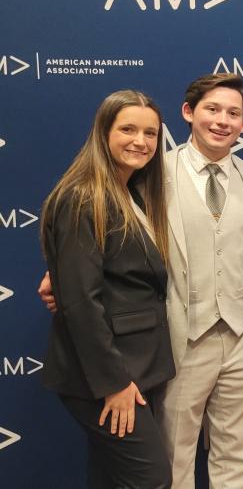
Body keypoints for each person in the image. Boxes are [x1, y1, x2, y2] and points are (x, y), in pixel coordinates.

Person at [37, 74, 243, 487]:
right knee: (170, 459)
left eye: (233, 113)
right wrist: (59, 274)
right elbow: (95, 238)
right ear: (188, 114)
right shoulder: (151, 171)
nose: (222, 120)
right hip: (180, 338)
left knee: (238, 457)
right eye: (212, 109)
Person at [40, 90, 174, 488]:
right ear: (103, 132)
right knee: (151, 479)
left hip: (136, 367)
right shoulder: (84, 196)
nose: (141, 141)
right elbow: (82, 302)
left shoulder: (131, 194)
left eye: (150, 133)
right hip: (105, 377)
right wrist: (113, 383)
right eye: (128, 129)